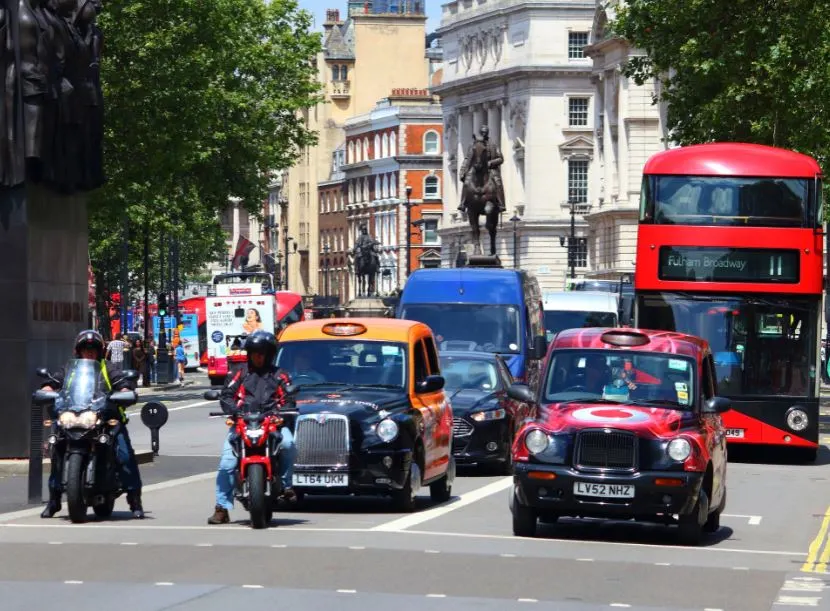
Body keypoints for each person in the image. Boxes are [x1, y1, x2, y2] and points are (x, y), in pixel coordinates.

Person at [40, 330, 145, 519]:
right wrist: (46, 390)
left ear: (100, 351)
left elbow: (121, 382)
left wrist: (124, 390)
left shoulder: (108, 368)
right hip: (74, 416)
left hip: (104, 419)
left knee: (124, 453)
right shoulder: (69, 370)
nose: (89, 352)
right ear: (78, 351)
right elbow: (53, 382)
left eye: (93, 349)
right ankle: (54, 500)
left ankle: (134, 499)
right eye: (85, 349)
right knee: (56, 450)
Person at [207, 330, 298, 525]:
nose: (259, 356)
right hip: (243, 424)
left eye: (263, 352)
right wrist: (233, 412)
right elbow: (226, 396)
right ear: (249, 353)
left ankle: (286, 485)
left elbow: (289, 400)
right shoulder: (238, 372)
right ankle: (221, 507)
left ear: (269, 354)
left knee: (289, 444)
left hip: (271, 424)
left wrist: (281, 416)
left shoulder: (280, 375)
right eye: (255, 352)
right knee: (226, 463)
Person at [457, 124, 506, 214]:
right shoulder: (473, 144)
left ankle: (501, 204)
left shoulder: (493, 144)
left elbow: (500, 158)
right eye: (483, 132)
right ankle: (462, 203)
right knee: (467, 181)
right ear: (480, 133)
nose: (484, 134)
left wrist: (491, 162)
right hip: (476, 168)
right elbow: (467, 158)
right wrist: (463, 170)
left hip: (490, 168)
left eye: (486, 132)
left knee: (498, 182)